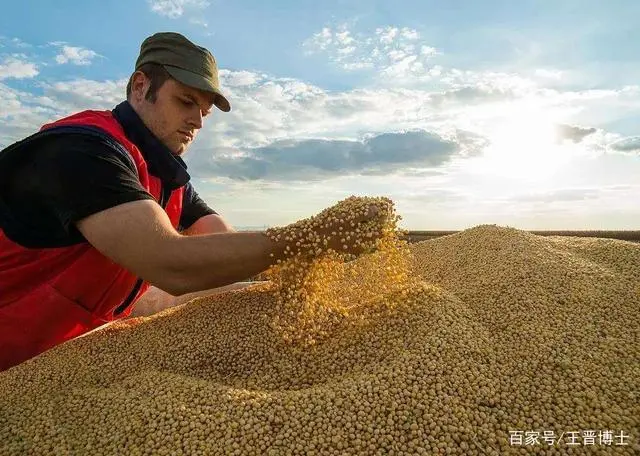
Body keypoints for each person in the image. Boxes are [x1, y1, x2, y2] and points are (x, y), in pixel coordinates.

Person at [0, 32, 380, 371]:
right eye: (185, 101)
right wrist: (310, 236)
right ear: (139, 87)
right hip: (15, 362)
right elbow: (172, 265)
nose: (197, 121)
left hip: (65, 353)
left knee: (243, 296)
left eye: (204, 111)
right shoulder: (83, 152)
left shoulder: (166, 175)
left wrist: (297, 272)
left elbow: (221, 242)